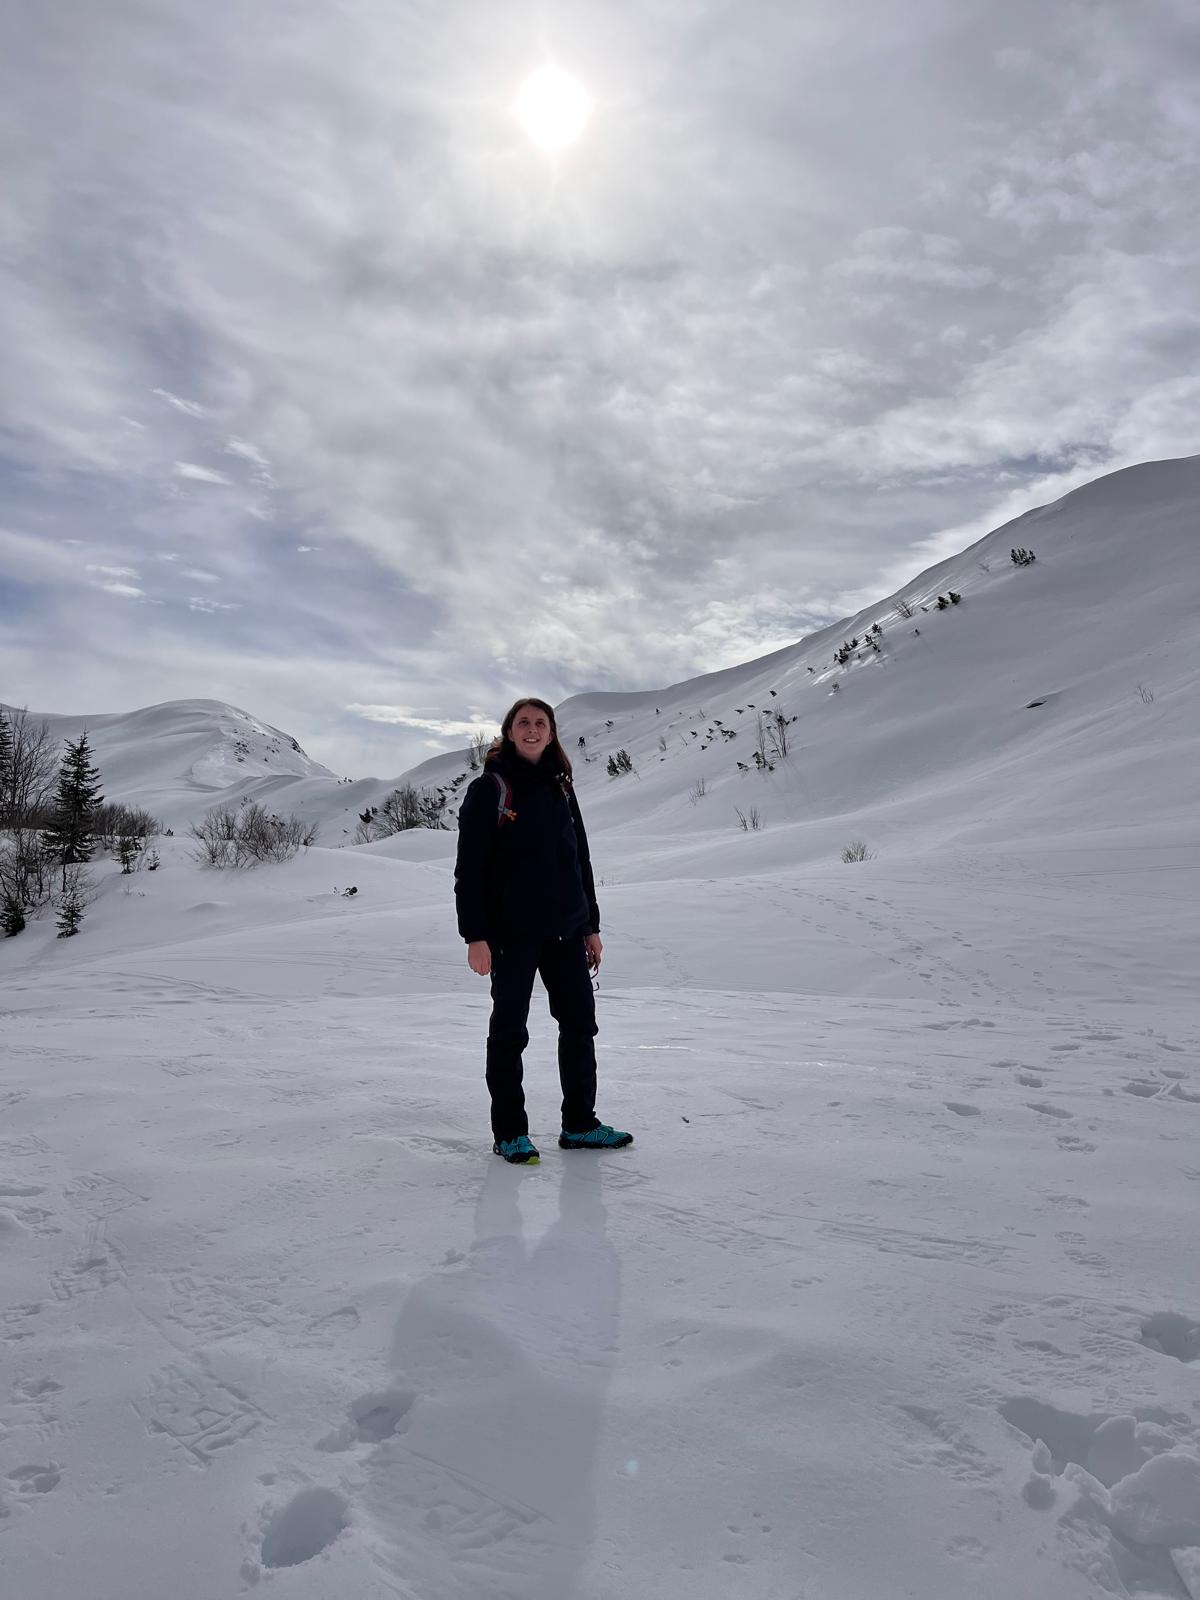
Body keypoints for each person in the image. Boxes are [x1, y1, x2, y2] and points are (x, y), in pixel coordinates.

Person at [455, 698, 633, 1164]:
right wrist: (475, 936)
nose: (532, 729)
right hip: (511, 935)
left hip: (566, 932)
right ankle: (509, 1132)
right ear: (509, 732)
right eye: (523, 723)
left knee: (579, 1026)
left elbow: (581, 861)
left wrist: (590, 925)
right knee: (510, 1032)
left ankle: (579, 1124)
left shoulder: (561, 787)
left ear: (552, 733)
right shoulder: (490, 788)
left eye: (540, 723)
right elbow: (469, 871)